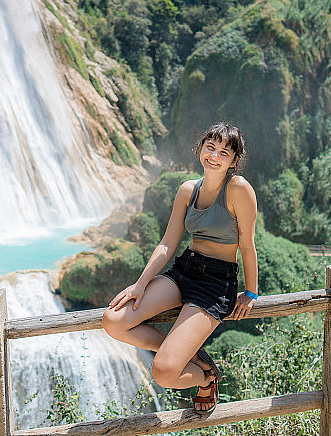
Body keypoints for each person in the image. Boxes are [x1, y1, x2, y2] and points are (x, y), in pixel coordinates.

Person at [102, 122, 258, 414]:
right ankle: (192, 355)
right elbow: (167, 243)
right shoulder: (188, 190)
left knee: (163, 373)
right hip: (184, 270)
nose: (214, 156)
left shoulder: (238, 189)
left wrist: (251, 292)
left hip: (216, 284)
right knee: (113, 320)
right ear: (200, 148)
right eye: (210, 147)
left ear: (234, 161)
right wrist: (140, 284)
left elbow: (247, 245)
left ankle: (206, 378)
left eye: (224, 152)